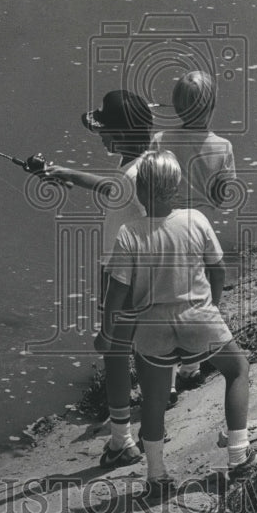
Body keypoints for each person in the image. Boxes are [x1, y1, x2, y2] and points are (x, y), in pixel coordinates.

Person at [96, 150, 257, 503]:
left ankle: (157, 477)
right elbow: (217, 269)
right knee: (237, 369)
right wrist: (212, 305)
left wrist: (107, 334)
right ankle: (239, 454)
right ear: (176, 189)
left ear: (139, 192)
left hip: (152, 330)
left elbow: (117, 293)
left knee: (154, 403)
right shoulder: (195, 219)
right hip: (199, 320)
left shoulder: (128, 233)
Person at [44, 89, 152, 469]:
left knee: (114, 352)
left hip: (121, 274)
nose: (101, 137)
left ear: (119, 135)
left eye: (105, 131)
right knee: (147, 350)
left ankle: (122, 441)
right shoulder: (151, 163)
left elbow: (131, 200)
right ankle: (152, 428)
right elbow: (116, 188)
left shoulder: (132, 176)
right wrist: (70, 174)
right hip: (151, 273)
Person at [151, 70, 237, 401]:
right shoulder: (223, 146)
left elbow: (151, 181)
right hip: (199, 231)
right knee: (195, 300)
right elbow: (222, 197)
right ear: (212, 105)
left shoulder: (160, 140)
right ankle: (190, 368)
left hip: (165, 228)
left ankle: (167, 378)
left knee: (164, 300)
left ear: (175, 108)